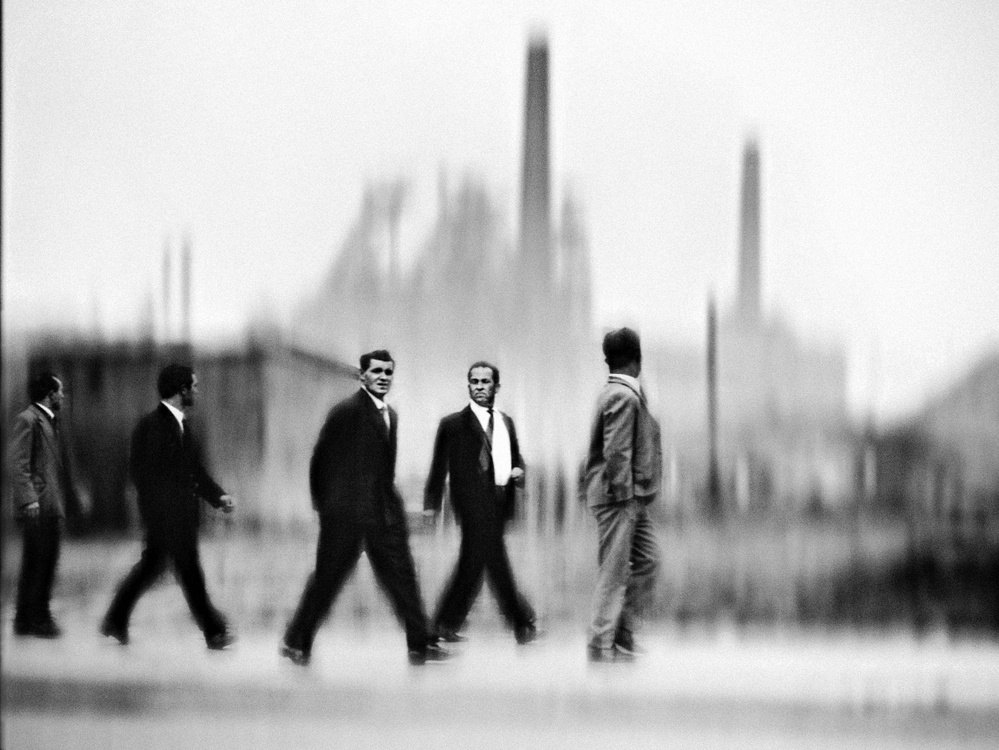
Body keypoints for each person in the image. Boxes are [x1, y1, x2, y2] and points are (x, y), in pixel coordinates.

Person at [281, 350, 447, 667]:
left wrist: (392, 507)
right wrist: (326, 507)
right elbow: (320, 460)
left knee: (403, 578)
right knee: (328, 579)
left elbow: (383, 470)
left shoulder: (390, 415)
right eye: (376, 371)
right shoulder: (345, 413)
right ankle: (296, 641)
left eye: (388, 372)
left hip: (384, 514)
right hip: (345, 517)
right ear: (362, 376)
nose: (383, 377)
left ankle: (420, 643)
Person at [100, 364, 236, 650]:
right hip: (166, 517)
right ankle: (213, 630)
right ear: (181, 390)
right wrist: (159, 513)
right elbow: (144, 475)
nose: (196, 391)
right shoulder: (152, 427)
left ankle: (115, 620)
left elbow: (194, 472)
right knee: (189, 572)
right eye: (193, 386)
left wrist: (218, 497)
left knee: (151, 568)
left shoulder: (183, 426)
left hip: (178, 516)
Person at [424, 361, 538, 644]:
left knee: (474, 563)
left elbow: (516, 457)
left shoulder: (505, 422)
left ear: (496, 387)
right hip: (470, 504)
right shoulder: (452, 425)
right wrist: (431, 504)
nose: (479, 387)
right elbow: (438, 467)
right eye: (474, 382)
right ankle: (521, 621)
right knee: (494, 561)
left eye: (485, 382)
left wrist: (519, 470)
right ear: (468, 386)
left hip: (499, 503)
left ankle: (443, 625)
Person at [582, 328, 662, 662]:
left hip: (630, 496)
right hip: (619, 497)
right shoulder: (622, 396)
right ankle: (600, 643)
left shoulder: (621, 392)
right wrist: (624, 495)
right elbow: (616, 452)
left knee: (648, 560)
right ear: (637, 359)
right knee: (613, 572)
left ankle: (622, 630)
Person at [9, 372, 83, 638]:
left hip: (50, 503)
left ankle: (25, 619)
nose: (63, 396)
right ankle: (37, 618)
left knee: (41, 561)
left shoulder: (50, 421)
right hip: (38, 505)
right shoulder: (29, 420)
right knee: (40, 562)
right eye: (60, 391)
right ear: (49, 395)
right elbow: (18, 464)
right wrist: (29, 499)